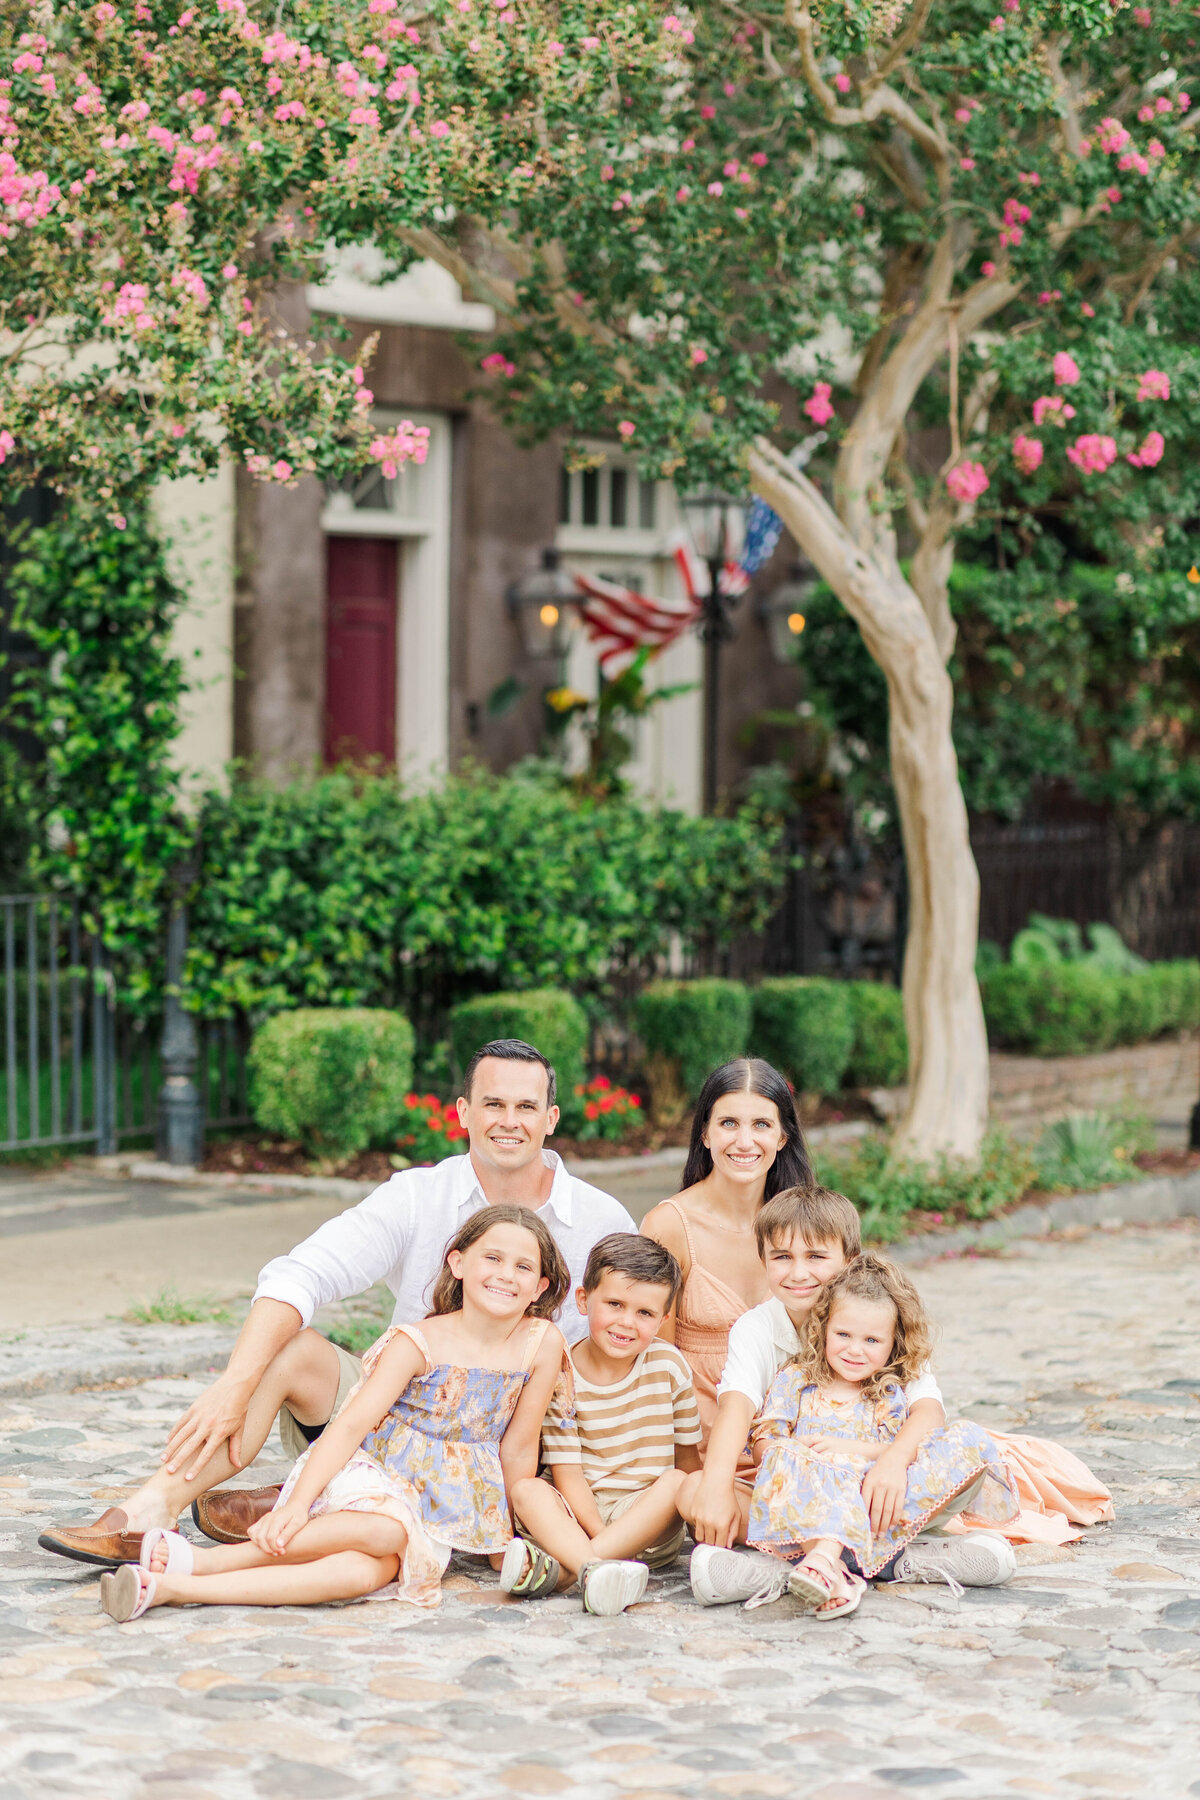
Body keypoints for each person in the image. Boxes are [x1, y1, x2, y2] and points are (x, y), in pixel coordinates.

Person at [42, 1039, 635, 1569]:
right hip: (398, 1416)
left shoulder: (600, 1219)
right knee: (292, 1350)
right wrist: (233, 1384)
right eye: (493, 1104)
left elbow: (635, 1334)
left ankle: (315, 1502)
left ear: (551, 1118)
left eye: (526, 1107)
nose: (509, 1121)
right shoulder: (416, 1197)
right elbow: (302, 1273)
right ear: (463, 1113)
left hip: (521, 1441)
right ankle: (155, 1507)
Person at [98, 1206, 571, 1622]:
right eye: (493, 1258)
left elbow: (519, 1443)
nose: (506, 1274)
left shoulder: (541, 1343)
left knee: (368, 1572)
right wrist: (299, 1505)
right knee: (387, 1529)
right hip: (372, 1472)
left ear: (541, 1286)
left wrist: (508, 1530)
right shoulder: (418, 1342)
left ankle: (175, 1587)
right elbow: (348, 1427)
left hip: (429, 1505)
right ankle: (203, 1562)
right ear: (458, 1262)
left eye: (523, 1266)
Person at [684, 1186, 1012, 1604]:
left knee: (969, 1442)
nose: (798, 1273)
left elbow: (928, 1411)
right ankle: (896, 1562)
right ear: (763, 1260)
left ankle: (791, 1566)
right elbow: (738, 1408)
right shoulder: (759, 1331)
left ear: (849, 1262)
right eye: (782, 1257)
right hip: (807, 1483)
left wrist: (892, 1461)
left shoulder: (881, 1315)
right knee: (693, 1489)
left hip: (882, 1488)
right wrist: (716, 1488)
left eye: (816, 1257)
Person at [743, 1254, 1020, 1620]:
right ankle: (857, 1561)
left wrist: (850, 1450)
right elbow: (766, 1445)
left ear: (893, 1343)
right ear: (823, 1328)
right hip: (812, 1505)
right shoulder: (797, 1379)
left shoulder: (888, 1392)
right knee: (784, 1457)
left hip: (877, 1507)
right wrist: (808, 1457)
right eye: (843, 1334)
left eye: (872, 1339)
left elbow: (896, 1455)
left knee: (967, 1439)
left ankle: (831, 1567)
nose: (855, 1349)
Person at [501, 1233, 702, 1615]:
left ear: (663, 1319)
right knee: (527, 1491)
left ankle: (573, 1570)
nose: (627, 1322)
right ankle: (596, 1567)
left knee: (678, 1482)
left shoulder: (670, 1366)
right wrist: (595, 1535)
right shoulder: (561, 1372)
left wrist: (697, 1515)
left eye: (645, 1313)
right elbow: (568, 1473)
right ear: (583, 1300)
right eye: (614, 1304)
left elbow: (686, 1458)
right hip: (577, 1516)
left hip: (644, 1520)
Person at [640, 1058, 812, 1455]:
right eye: (729, 1123)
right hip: (701, 1444)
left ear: (783, 1137)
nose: (745, 1142)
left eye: (762, 1125)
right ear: (705, 1133)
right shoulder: (669, 1226)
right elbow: (653, 1365)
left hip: (796, 1437)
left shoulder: (808, 1224)